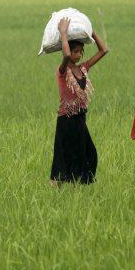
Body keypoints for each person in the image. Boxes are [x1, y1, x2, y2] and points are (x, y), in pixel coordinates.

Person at [51, 15, 108, 185]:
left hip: (80, 117)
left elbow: (104, 50)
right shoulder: (62, 71)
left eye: (80, 51)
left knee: (88, 153)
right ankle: (57, 186)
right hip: (66, 118)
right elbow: (66, 55)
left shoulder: (83, 68)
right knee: (64, 154)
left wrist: (91, 31)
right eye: (76, 51)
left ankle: (77, 186)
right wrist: (63, 34)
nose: (78, 54)